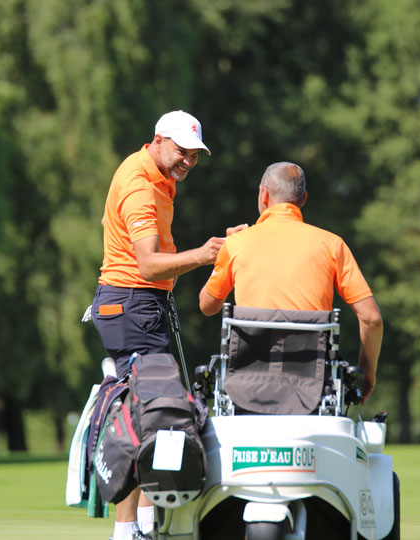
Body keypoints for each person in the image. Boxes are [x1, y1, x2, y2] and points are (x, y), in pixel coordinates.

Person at [91, 110, 236, 540]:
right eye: (181, 151)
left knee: (154, 412)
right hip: (132, 304)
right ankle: (129, 530)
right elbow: (149, 264)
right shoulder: (139, 185)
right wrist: (205, 255)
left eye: (194, 155)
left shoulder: (157, 175)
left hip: (140, 304)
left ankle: (148, 525)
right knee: (146, 415)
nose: (187, 161)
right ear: (158, 140)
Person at [199, 161, 383, 403]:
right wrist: (367, 373)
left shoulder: (237, 243)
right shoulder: (332, 244)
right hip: (313, 386)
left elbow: (207, 306)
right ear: (303, 199)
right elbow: (372, 319)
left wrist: (225, 254)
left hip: (247, 386)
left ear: (264, 195)